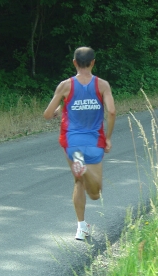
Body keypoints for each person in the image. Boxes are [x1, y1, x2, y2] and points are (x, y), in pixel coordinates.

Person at [43, 46, 116, 240]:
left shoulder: (65, 86)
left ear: (74, 63)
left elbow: (47, 115)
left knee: (78, 182)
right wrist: (108, 138)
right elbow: (111, 112)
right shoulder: (102, 85)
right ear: (93, 62)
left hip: (71, 141)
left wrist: (60, 108)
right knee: (95, 194)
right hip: (94, 141)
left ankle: (81, 227)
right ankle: (87, 171)